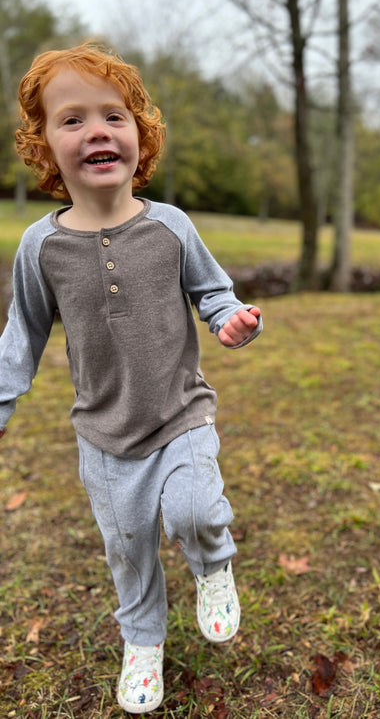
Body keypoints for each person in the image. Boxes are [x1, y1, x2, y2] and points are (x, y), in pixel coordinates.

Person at [0, 42, 262, 714]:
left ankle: (213, 565)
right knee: (128, 548)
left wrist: (230, 318)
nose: (97, 130)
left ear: (139, 135)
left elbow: (214, 291)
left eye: (114, 116)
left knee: (196, 511)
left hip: (181, 414)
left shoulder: (170, 226)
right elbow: (23, 335)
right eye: (72, 119)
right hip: (105, 436)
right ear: (44, 146)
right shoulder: (41, 246)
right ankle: (142, 638)